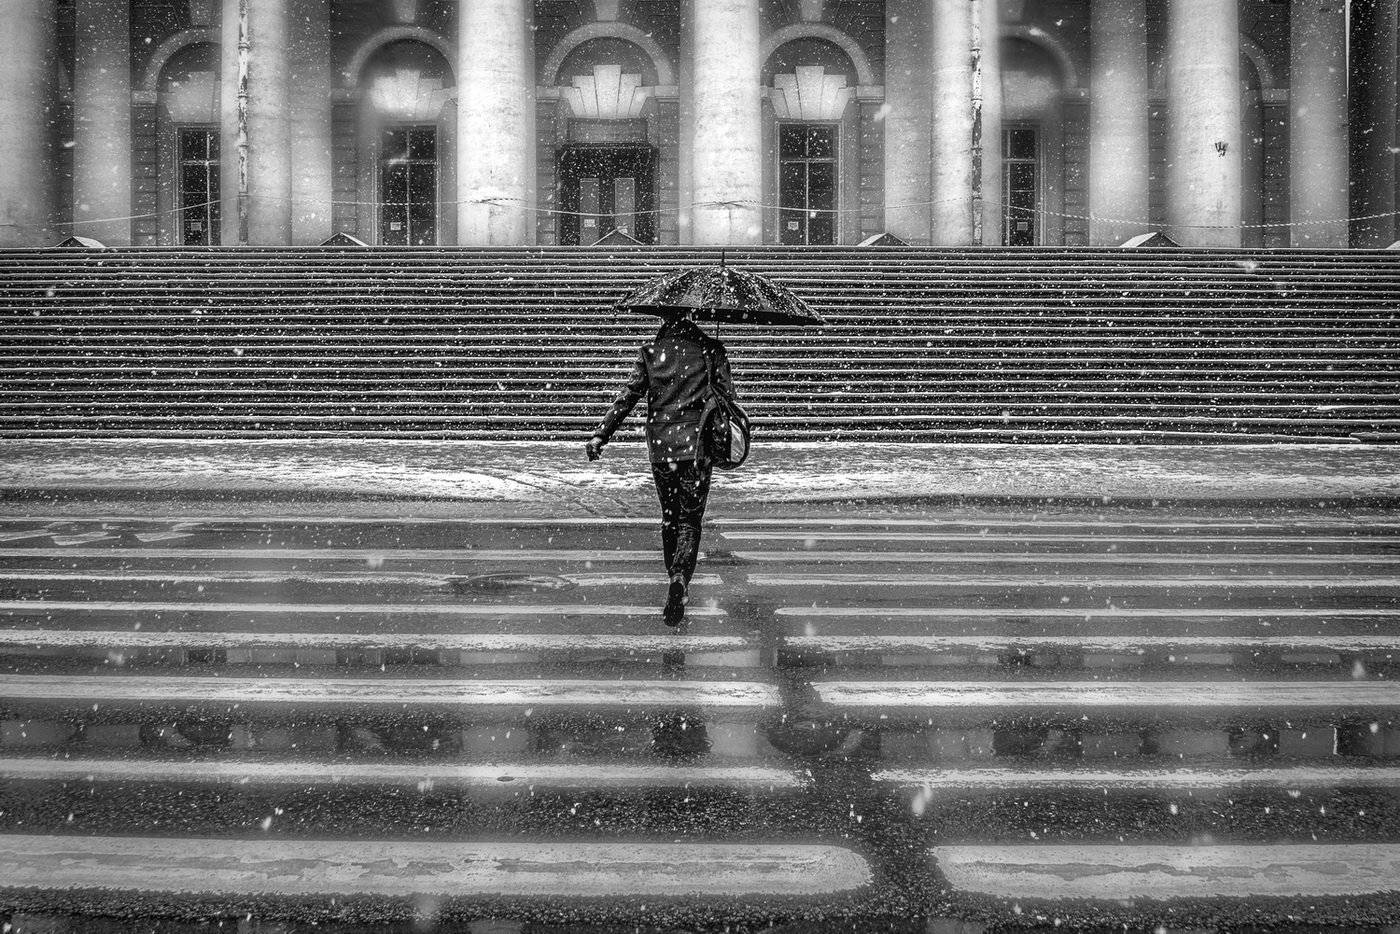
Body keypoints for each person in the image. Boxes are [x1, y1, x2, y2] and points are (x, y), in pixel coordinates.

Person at [586, 311, 735, 625]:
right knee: (690, 519)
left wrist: (602, 433)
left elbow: (629, 396)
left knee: (670, 517)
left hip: (662, 445)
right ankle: (680, 577)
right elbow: (728, 399)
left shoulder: (651, 353)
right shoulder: (711, 350)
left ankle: (674, 577)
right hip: (697, 447)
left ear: (664, 322)